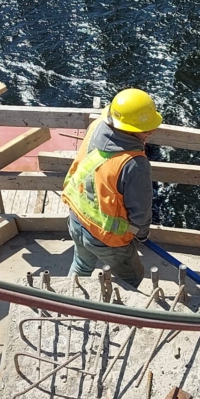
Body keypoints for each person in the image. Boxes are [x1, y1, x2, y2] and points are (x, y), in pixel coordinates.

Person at [62, 88, 162, 288]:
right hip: (107, 237)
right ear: (130, 128)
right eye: (146, 128)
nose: (151, 131)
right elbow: (140, 214)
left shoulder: (96, 126)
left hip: (76, 218)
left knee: (81, 266)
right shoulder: (134, 164)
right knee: (132, 278)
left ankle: (65, 299)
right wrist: (141, 235)